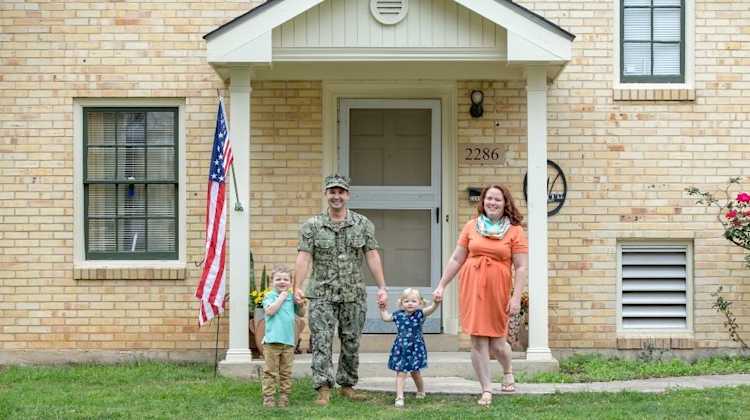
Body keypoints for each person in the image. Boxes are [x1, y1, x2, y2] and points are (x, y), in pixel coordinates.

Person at [293, 174, 388, 406]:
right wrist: (297, 286)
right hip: (322, 292)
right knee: (322, 340)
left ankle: (347, 385)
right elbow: (304, 258)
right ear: (326, 194)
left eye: (341, 192)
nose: (336, 196)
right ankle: (323, 388)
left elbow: (372, 255)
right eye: (332, 192)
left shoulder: (363, 224)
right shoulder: (312, 225)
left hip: (353, 292)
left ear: (348, 195)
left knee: (351, 340)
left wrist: (382, 287)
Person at [432, 184, 529, 407]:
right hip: (472, 287)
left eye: (497, 199)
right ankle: (486, 388)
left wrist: (516, 298)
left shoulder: (515, 231)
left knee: (497, 344)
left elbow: (521, 267)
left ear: (505, 203)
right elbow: (457, 259)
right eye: (489, 199)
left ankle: (507, 370)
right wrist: (441, 285)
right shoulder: (471, 227)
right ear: (482, 202)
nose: (492, 203)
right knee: (477, 341)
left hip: (498, 289)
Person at [379, 288, 440, 408]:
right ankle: (399, 397)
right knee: (401, 372)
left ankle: (421, 390)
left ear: (419, 303)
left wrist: (436, 303)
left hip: (415, 347)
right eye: (406, 301)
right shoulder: (398, 315)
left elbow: (431, 310)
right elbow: (386, 318)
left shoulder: (419, 314)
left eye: (413, 301)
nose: (410, 303)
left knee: (415, 372)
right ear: (401, 303)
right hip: (401, 347)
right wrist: (383, 309)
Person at [261, 265, 304, 408]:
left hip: (288, 342)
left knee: (286, 372)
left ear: (290, 282)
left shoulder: (291, 298)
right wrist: (281, 297)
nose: (282, 282)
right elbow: (270, 311)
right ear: (271, 281)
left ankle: (284, 396)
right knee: (270, 372)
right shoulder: (269, 296)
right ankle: (269, 397)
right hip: (272, 342)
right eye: (278, 279)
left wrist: (300, 303)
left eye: (286, 279)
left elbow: (301, 313)